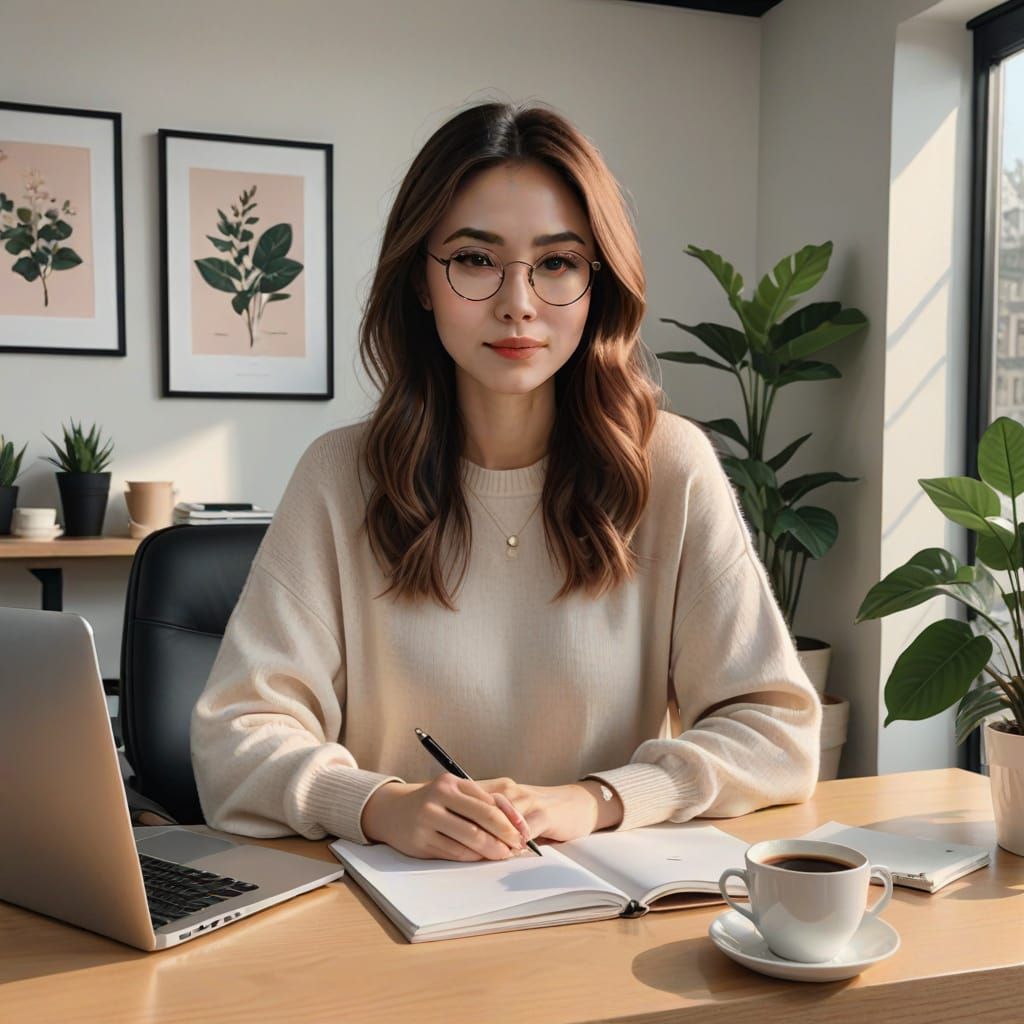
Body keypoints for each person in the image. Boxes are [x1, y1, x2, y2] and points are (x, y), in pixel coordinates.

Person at [191, 101, 821, 863]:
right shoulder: (338, 478)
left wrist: (599, 799)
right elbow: (233, 739)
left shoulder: (669, 468)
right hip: (391, 909)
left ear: (596, 285)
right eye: (474, 259)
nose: (517, 304)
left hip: (602, 905)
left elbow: (776, 732)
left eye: (557, 263)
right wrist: (378, 806)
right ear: (421, 280)